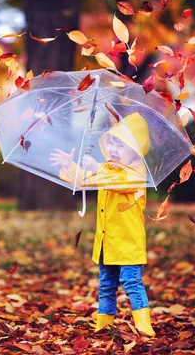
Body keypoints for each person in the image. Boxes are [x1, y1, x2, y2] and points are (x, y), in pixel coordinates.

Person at [50, 112, 156, 337]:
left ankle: (144, 326)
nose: (114, 150)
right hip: (107, 244)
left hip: (127, 244)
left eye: (121, 145)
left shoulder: (136, 173)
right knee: (106, 285)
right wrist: (72, 166)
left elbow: (119, 183)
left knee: (131, 283)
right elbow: (85, 181)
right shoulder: (107, 169)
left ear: (136, 149)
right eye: (112, 143)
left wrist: (97, 167)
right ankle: (104, 325)